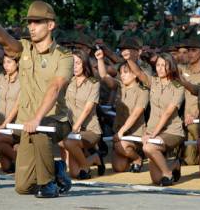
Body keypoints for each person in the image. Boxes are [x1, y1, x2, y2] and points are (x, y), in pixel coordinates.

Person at [0, 0, 72, 198]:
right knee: (23, 187)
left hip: (57, 120)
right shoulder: (24, 49)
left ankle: (48, 184)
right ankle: (55, 168)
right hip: (27, 124)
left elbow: (55, 87)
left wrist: (37, 118)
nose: (31, 26)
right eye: (29, 22)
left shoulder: (64, 56)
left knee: (39, 131)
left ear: (51, 25)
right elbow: (6, 41)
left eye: (37, 22)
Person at [127, 52, 185, 186]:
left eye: (163, 65)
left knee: (148, 147)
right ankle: (174, 164)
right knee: (156, 180)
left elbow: (167, 113)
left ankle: (168, 174)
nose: (160, 68)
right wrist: (129, 59)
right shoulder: (154, 81)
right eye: (158, 65)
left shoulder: (178, 86)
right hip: (154, 130)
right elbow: (139, 73)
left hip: (172, 131)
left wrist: (152, 134)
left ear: (171, 67)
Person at [95, 40, 149, 173]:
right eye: (121, 73)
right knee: (119, 168)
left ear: (135, 74)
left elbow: (136, 113)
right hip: (120, 134)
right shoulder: (120, 86)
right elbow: (103, 76)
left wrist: (120, 132)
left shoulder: (143, 90)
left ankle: (137, 158)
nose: (123, 75)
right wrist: (100, 59)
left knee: (121, 146)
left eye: (126, 72)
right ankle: (129, 155)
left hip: (135, 133)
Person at [60, 49, 104, 179]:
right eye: (72, 63)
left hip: (90, 130)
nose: (75, 66)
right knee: (74, 173)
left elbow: (88, 108)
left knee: (68, 141)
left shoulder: (93, 83)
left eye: (78, 63)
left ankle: (85, 167)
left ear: (85, 64)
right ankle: (94, 158)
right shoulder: (69, 82)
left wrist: (75, 127)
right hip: (73, 132)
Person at [178, 38, 200, 166]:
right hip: (187, 119)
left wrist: (197, 113)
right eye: (188, 50)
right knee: (190, 162)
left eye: (194, 50)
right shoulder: (182, 71)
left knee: (194, 126)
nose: (190, 53)